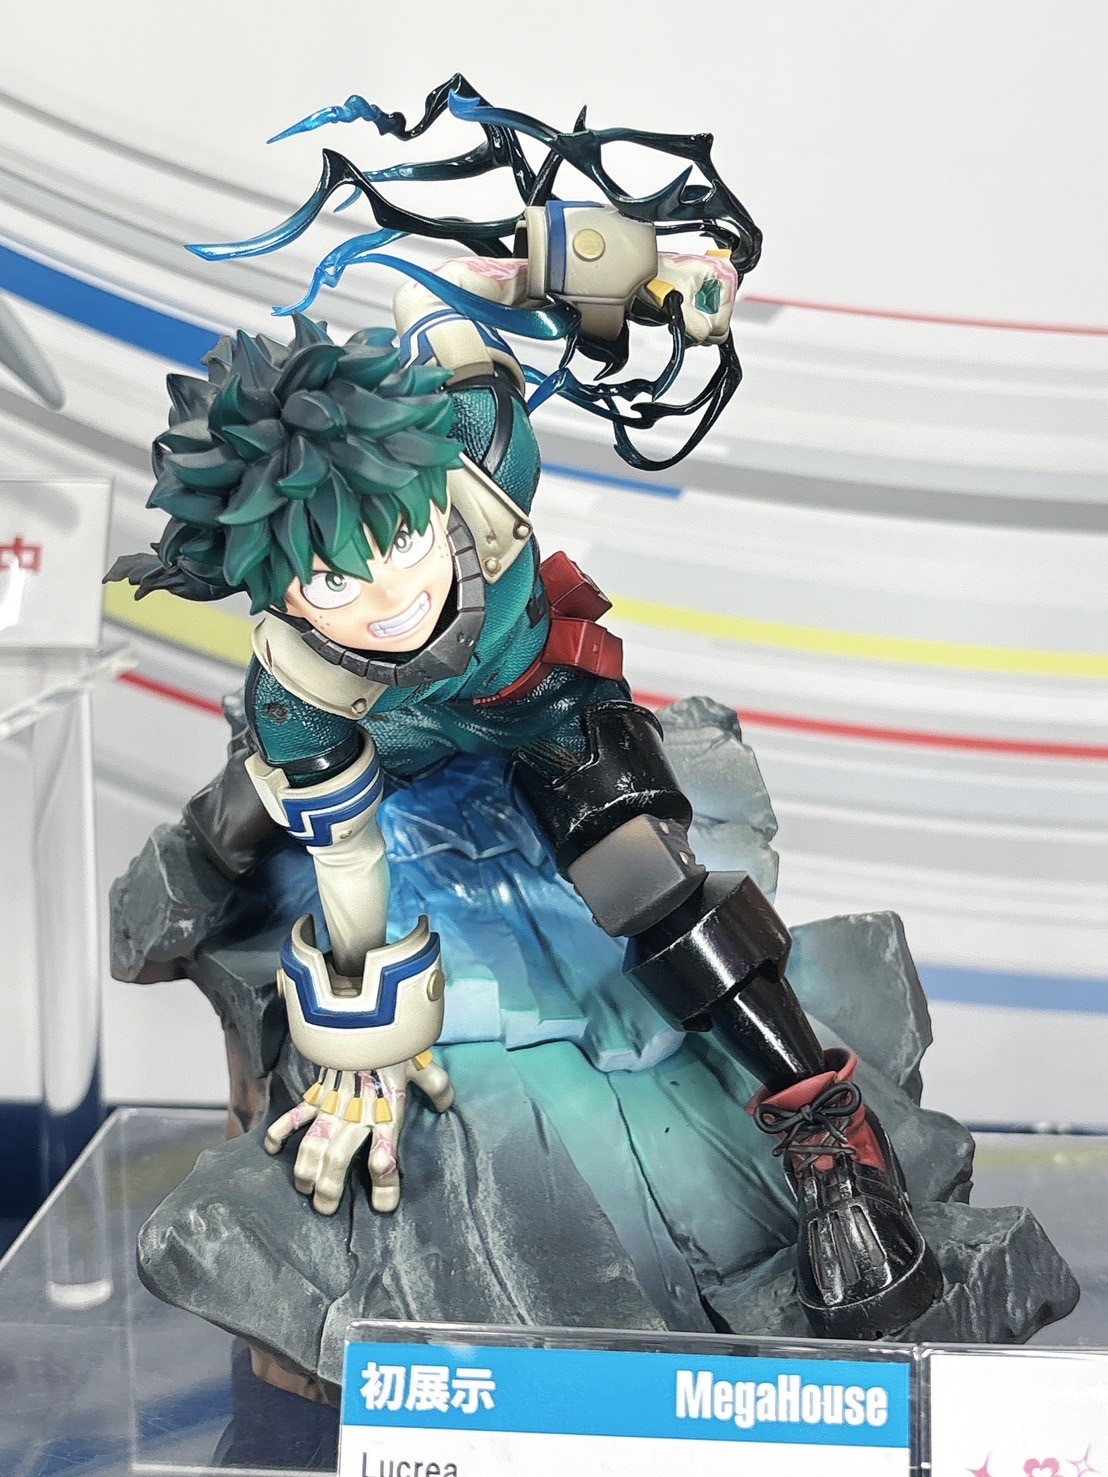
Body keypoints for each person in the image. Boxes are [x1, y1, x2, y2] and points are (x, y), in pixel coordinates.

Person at [108, 90, 941, 1340]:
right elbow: (351, 872)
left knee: (648, 878)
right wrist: (358, 1042)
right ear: (276, 590)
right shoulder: (301, 687)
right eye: (332, 580)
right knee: (257, 811)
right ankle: (221, 833)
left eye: (401, 544)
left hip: (529, 698)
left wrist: (642, 271)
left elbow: (449, 286)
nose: (387, 596)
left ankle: (825, 1127)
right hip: (381, 741)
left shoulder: (475, 439)